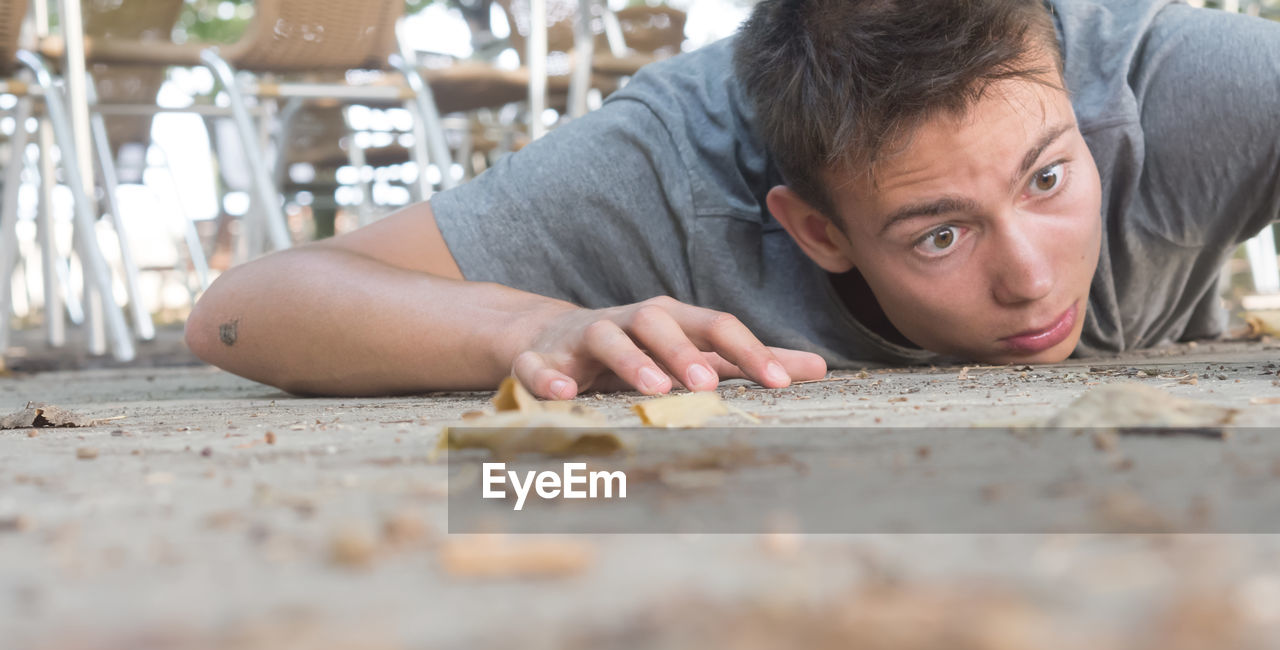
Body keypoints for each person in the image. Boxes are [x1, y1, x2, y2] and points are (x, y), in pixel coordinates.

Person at [184, 0, 1280, 399]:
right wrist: (538, 325)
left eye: (1047, 180)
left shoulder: (1178, 81)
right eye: (937, 232)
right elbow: (247, 307)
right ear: (812, 227)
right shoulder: (659, 170)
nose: (1030, 276)